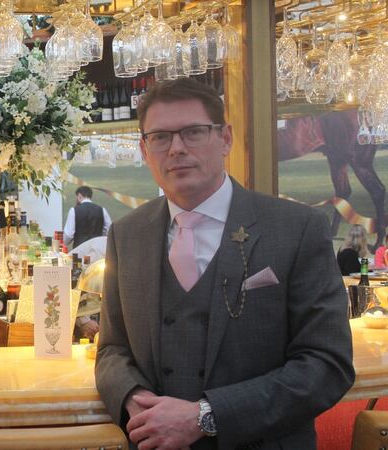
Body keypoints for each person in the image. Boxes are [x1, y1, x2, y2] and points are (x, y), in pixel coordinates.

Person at [95, 78, 354, 450]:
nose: (177, 148)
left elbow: (327, 364)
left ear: (226, 138)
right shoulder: (126, 234)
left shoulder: (296, 229)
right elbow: (111, 349)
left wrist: (205, 417)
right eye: (160, 137)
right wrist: (133, 398)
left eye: (194, 132)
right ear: (144, 149)